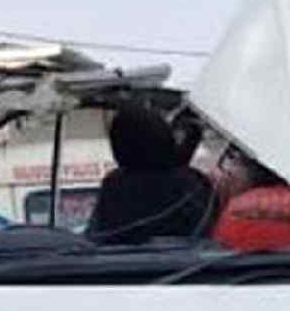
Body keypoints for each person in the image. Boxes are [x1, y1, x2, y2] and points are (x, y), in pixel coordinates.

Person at [86, 104, 217, 245]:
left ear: (118, 147)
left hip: (120, 266)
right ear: (165, 137)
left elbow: (95, 239)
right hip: (190, 265)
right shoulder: (194, 182)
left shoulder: (114, 184)